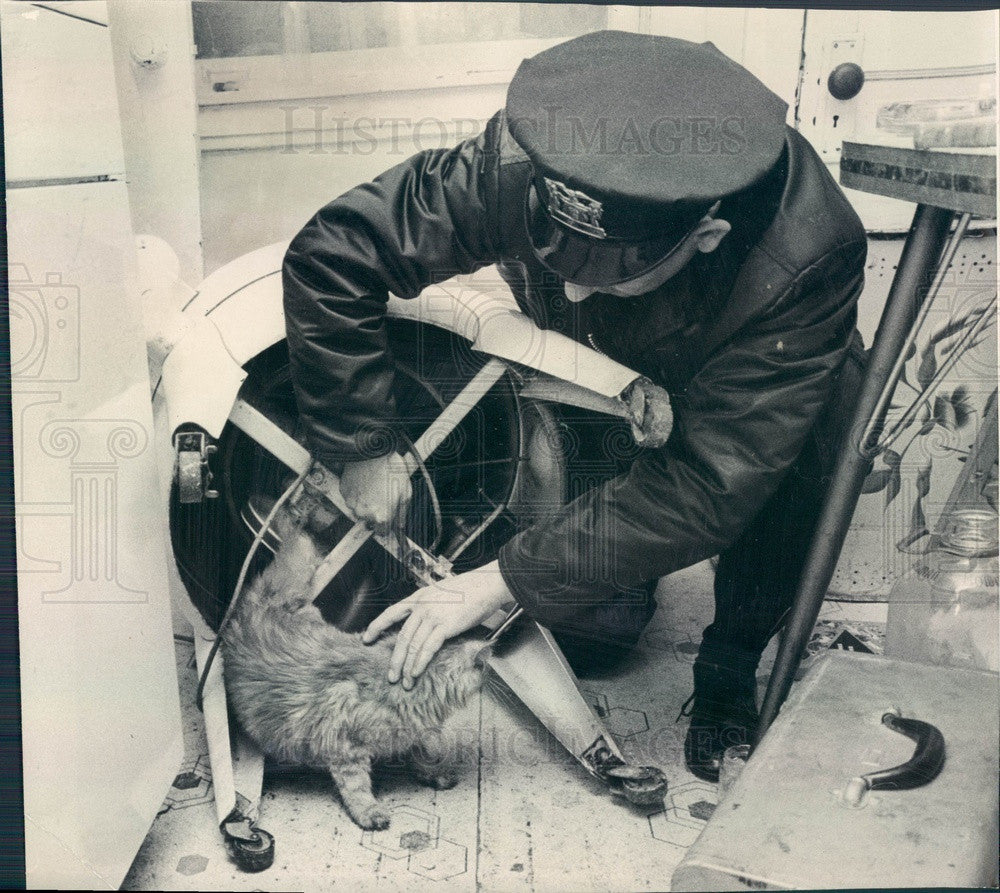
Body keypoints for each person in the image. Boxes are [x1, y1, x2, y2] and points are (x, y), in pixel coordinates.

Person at [281, 30, 867, 781]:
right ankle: (611, 556)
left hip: (751, 387)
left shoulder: (809, 251)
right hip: (603, 372)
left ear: (709, 234)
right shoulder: (535, 157)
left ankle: (728, 668)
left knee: (815, 438)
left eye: (606, 273)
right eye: (559, 260)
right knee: (598, 636)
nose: (577, 288)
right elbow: (336, 250)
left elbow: (707, 485)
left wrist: (497, 578)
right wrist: (360, 443)